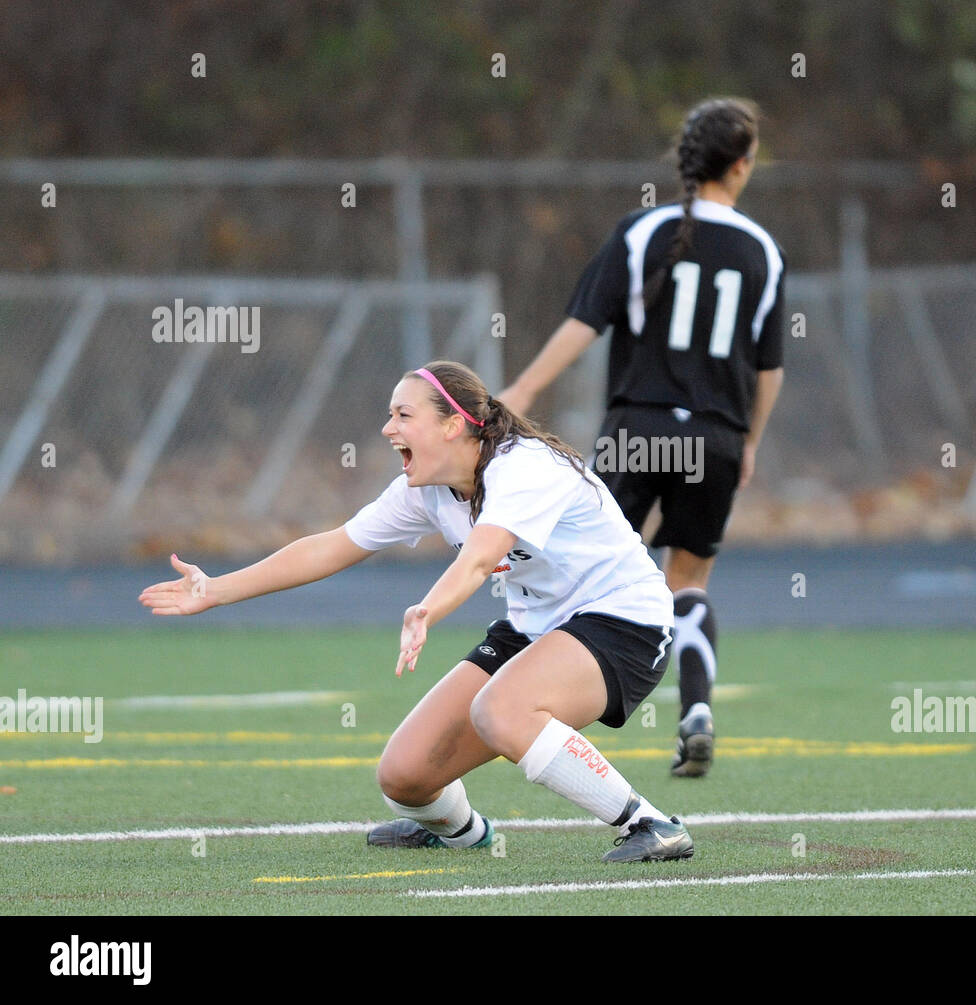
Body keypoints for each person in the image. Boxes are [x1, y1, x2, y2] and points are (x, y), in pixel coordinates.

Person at [139, 360, 693, 863]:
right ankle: (464, 834)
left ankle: (651, 824)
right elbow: (331, 546)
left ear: (453, 424)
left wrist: (426, 610)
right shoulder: (425, 488)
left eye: (403, 415)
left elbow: (480, 559)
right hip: (538, 627)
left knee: (501, 711)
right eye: (389, 416)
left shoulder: (524, 466)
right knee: (404, 778)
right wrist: (216, 590)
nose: (388, 429)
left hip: (627, 623)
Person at [498, 97, 786, 778]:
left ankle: (528, 700)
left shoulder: (641, 231)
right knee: (686, 581)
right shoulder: (762, 250)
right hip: (715, 436)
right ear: (742, 166)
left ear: (684, 160)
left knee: (578, 569)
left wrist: (525, 390)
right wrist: (748, 441)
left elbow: (583, 324)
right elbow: (769, 370)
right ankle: (696, 710)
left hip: (637, 431)